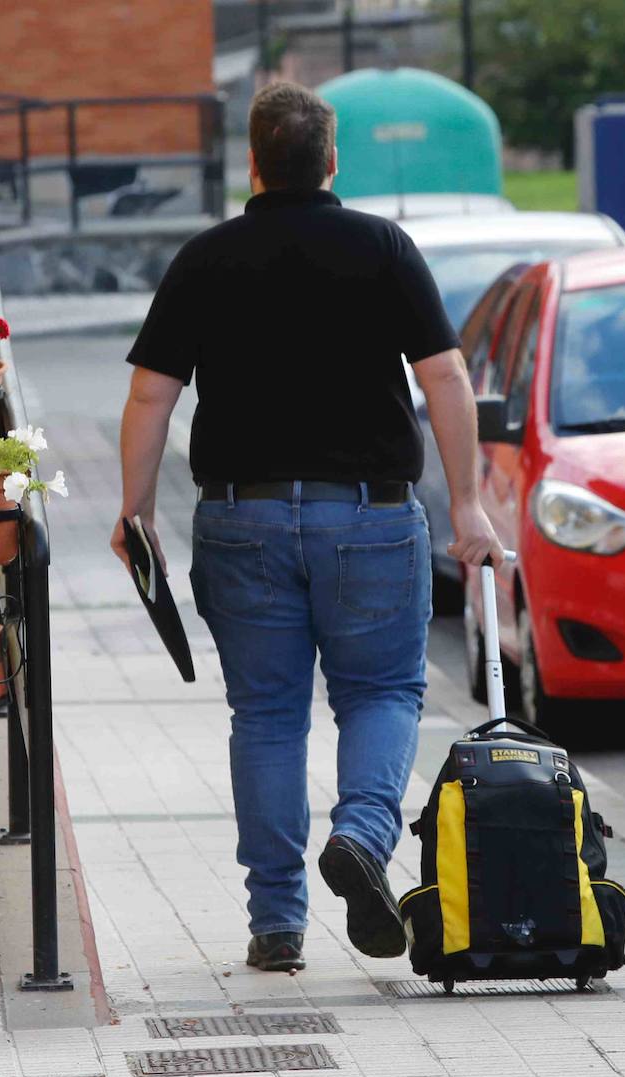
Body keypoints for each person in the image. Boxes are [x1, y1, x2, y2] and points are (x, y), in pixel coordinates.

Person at [111, 81, 503, 974]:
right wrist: (469, 502)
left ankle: (276, 923)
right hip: (368, 515)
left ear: (253, 161)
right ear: (332, 161)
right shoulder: (382, 248)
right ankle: (364, 834)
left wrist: (134, 512)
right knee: (381, 693)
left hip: (240, 516)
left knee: (268, 715)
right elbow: (445, 378)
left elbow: (151, 394)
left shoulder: (206, 258)